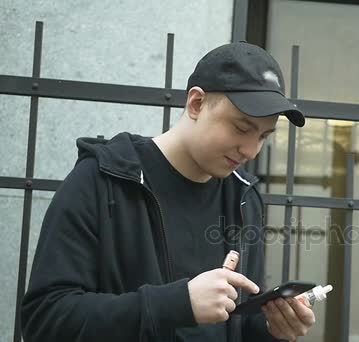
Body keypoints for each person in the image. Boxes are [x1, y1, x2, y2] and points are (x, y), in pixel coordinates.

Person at [21, 42, 313, 342]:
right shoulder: (101, 179)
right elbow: (44, 320)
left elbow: (232, 326)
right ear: (196, 103)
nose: (251, 150)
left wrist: (271, 329)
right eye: (241, 128)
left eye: (263, 136)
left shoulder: (243, 197)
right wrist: (177, 304)